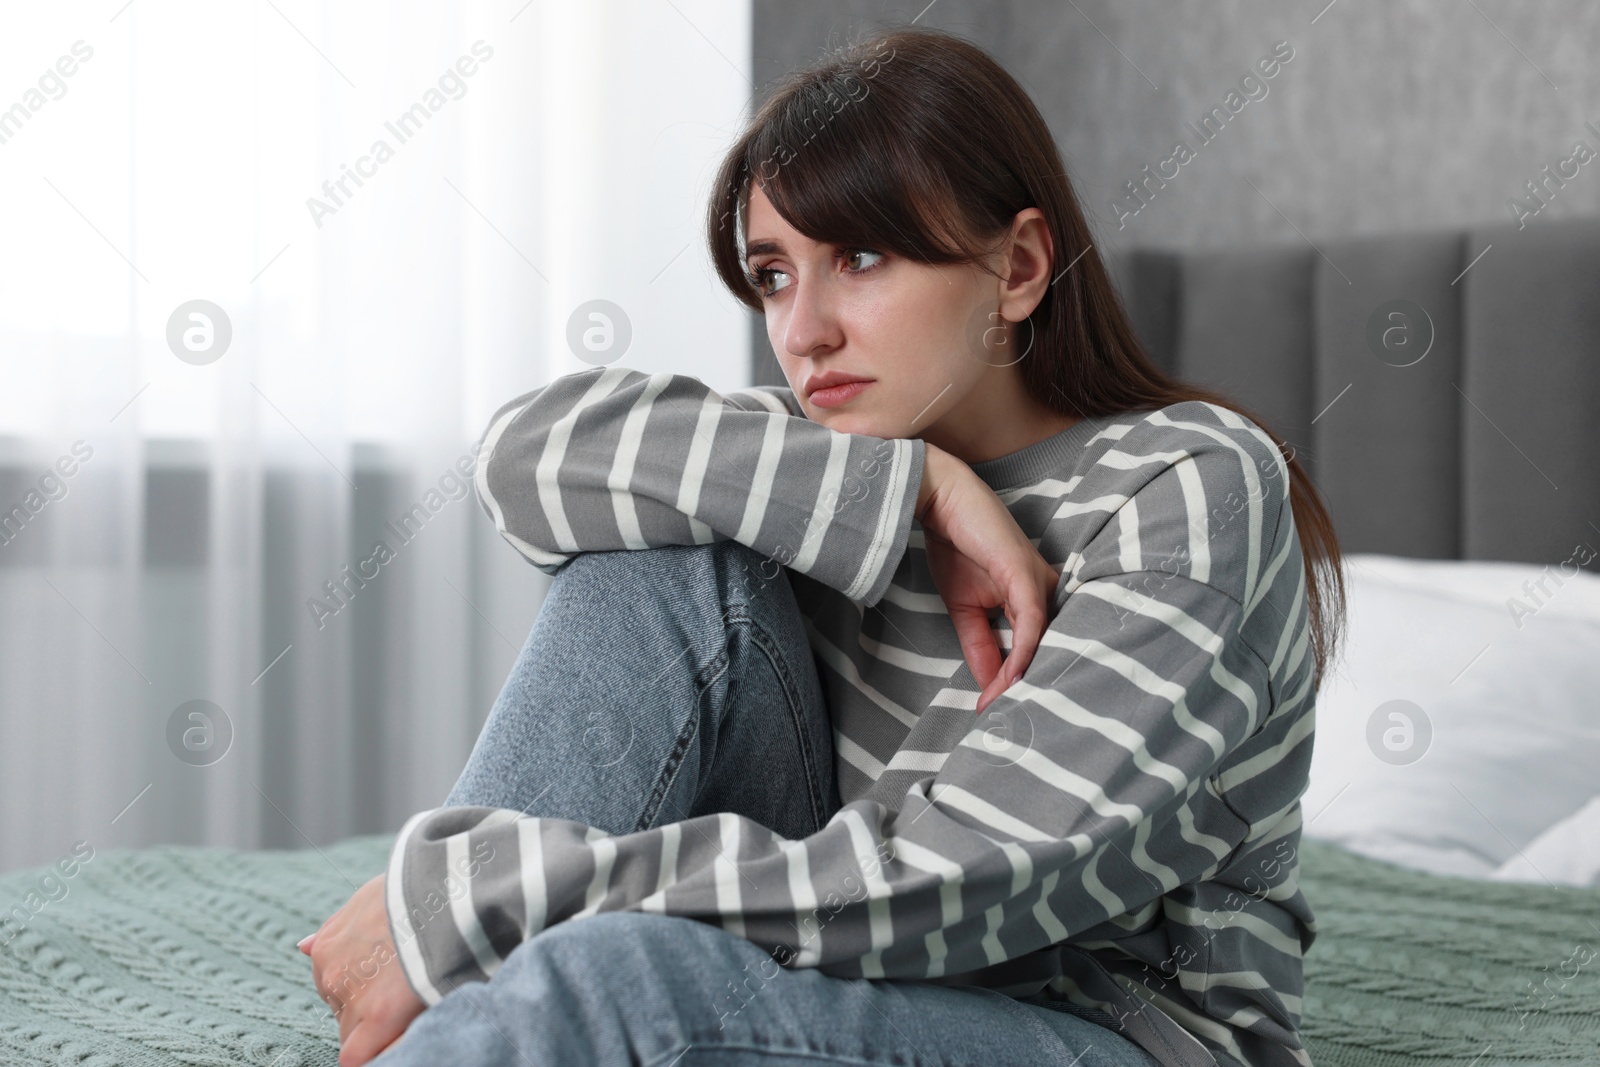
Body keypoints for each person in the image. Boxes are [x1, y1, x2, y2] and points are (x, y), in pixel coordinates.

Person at [300, 24, 1347, 1067]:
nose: (802, 331)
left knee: (610, 979)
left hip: (1099, 1025)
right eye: (771, 274)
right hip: (829, 961)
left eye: (858, 257)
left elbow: (963, 882)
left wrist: (490, 894)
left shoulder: (1185, 488)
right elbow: (517, 460)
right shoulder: (834, 458)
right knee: (660, 535)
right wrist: (918, 485)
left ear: (1019, 267)